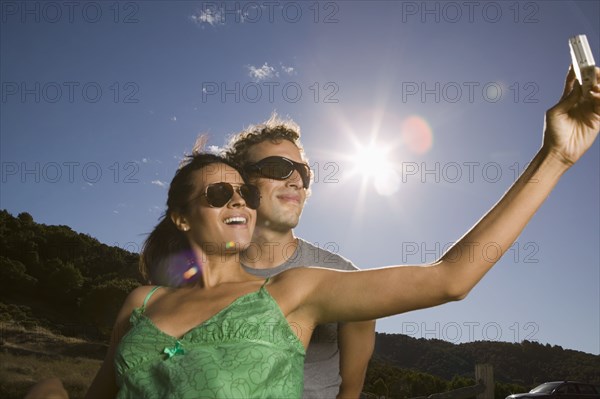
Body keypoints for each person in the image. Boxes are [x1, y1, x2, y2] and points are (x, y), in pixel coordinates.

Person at [25, 66, 600, 399]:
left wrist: (554, 157)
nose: (294, 180)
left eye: (306, 171)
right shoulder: (143, 299)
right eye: (224, 191)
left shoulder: (298, 289)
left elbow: (448, 278)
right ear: (182, 215)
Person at [224, 118, 376, 399]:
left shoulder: (344, 276)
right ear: (240, 183)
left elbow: (350, 390)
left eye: (303, 173)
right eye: (277, 168)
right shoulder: (207, 275)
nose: (295, 181)